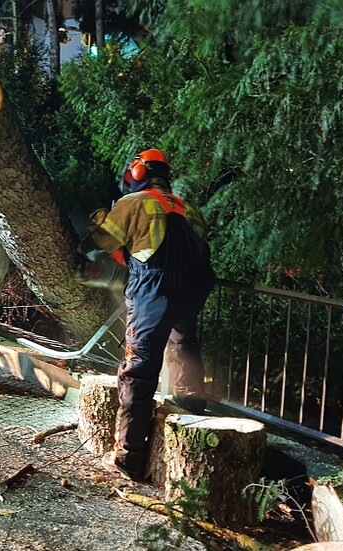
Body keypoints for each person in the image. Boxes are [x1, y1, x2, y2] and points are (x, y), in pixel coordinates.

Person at [79, 148, 215, 481]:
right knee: (184, 344)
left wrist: (97, 227)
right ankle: (190, 410)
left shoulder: (133, 204)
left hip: (156, 287)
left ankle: (129, 458)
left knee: (139, 370)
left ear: (138, 173)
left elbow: (97, 248)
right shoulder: (188, 208)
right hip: (195, 288)